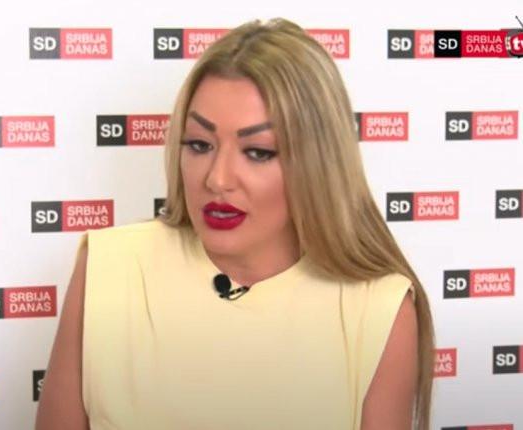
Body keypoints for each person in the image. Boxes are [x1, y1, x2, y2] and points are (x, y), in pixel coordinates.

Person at [36, 18, 435, 430]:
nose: (217, 179)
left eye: (258, 152)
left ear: (317, 163)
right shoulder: (108, 267)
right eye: (199, 144)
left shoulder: (378, 308)